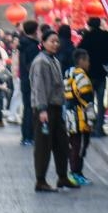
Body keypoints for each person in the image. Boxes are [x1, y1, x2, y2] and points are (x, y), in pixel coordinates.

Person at [30, 30, 77, 192]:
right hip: (45, 108)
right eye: (51, 41)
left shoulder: (54, 60)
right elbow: (39, 87)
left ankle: (62, 177)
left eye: (57, 41)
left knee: (61, 144)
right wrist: (42, 109)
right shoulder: (41, 62)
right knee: (43, 145)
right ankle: (40, 180)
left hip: (57, 107)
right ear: (43, 43)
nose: (55, 44)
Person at [77, 18, 108, 136]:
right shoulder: (105, 35)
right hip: (102, 73)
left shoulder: (87, 36)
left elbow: (78, 51)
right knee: (101, 101)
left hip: (89, 74)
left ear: (89, 25)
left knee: (89, 102)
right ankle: (99, 128)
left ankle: (90, 126)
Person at [64, 49, 95, 186]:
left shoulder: (68, 74)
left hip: (70, 116)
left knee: (74, 145)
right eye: (87, 60)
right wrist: (91, 120)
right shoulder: (82, 78)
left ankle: (74, 172)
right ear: (81, 61)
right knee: (80, 147)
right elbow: (87, 100)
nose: (89, 63)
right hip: (81, 118)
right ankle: (76, 174)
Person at [18, 20, 42, 145]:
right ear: (34, 31)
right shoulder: (32, 47)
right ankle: (29, 136)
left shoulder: (23, 44)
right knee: (30, 108)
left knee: (27, 107)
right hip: (31, 80)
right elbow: (33, 66)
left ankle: (26, 135)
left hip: (24, 79)